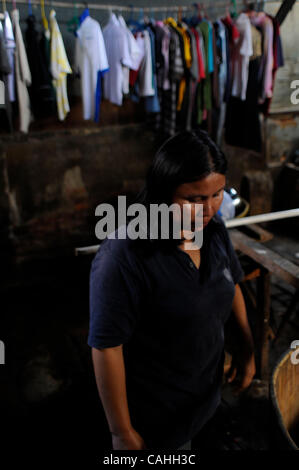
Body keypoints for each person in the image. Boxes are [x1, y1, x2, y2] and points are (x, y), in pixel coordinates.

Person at [88, 130, 256, 450]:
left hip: (205, 397)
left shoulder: (213, 229)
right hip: (154, 417)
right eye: (194, 199)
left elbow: (230, 282)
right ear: (163, 193)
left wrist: (247, 348)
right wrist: (121, 431)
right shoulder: (125, 256)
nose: (209, 209)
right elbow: (107, 346)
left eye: (218, 194)